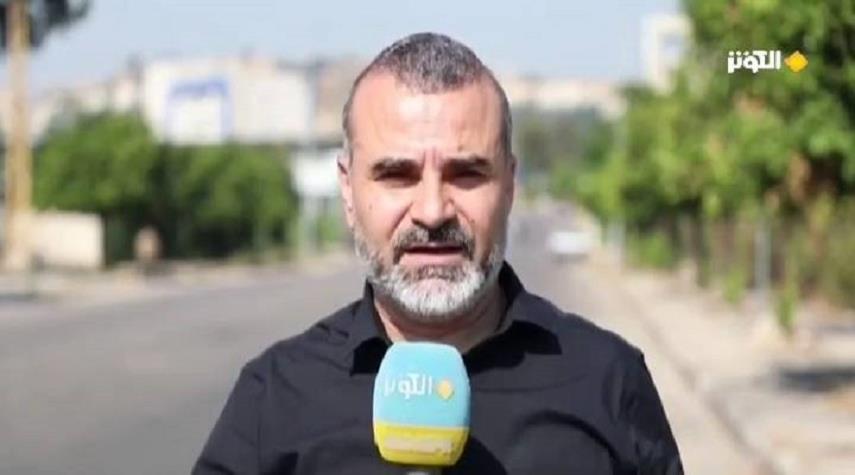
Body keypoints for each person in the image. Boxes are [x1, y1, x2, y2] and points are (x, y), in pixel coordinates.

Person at [193, 32, 682, 475]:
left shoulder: (608, 381)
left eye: (466, 174)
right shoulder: (274, 397)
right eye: (397, 175)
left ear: (510, 184)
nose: (432, 211)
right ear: (348, 190)